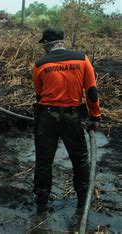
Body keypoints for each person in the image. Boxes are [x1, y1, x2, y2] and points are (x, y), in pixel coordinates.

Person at [32, 27, 101, 213]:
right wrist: (95, 116)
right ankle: (82, 201)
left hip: (48, 117)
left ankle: (41, 202)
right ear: (62, 41)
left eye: (44, 44)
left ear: (46, 44)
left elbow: (39, 95)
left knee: (44, 160)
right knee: (79, 159)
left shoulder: (39, 65)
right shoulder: (82, 59)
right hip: (73, 117)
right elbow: (92, 92)